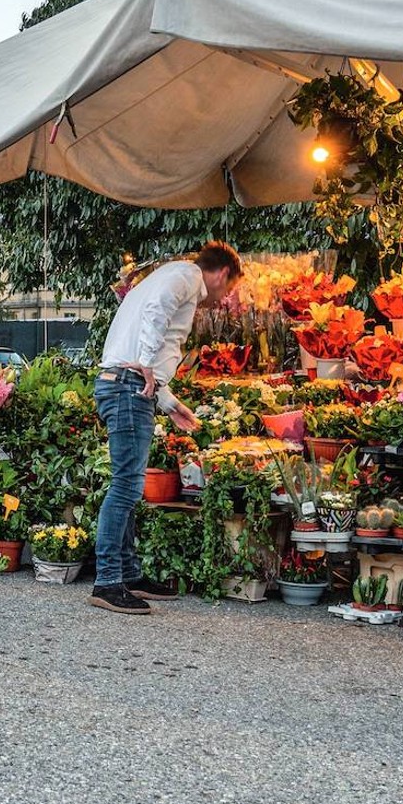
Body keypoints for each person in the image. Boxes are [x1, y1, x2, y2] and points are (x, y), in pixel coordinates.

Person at [88, 242, 243, 615]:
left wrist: (169, 403)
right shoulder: (186, 276)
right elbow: (155, 322)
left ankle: (127, 573)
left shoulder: (167, 276)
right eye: (230, 289)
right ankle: (108, 581)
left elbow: (150, 356)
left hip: (125, 386)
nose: (223, 299)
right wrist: (144, 363)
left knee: (127, 486)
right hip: (126, 387)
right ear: (222, 273)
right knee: (125, 487)